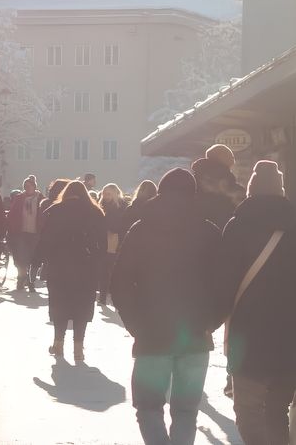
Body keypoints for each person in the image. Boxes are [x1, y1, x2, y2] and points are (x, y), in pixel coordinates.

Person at [217, 160, 296, 445]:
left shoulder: (237, 227)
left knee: (247, 412)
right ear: (281, 192)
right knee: (278, 413)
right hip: (295, 339)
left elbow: (224, 284)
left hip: (250, 340)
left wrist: (207, 321)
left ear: (251, 191)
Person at [111, 167, 222, 445]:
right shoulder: (208, 231)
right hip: (195, 335)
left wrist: (135, 324)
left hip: (152, 333)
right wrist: (212, 321)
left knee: (148, 407)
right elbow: (224, 283)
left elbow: (120, 283)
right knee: (186, 411)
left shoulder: (141, 229)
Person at [37, 179, 106, 362]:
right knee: (81, 308)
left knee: (60, 304)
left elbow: (45, 239)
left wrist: (37, 261)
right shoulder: (95, 212)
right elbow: (102, 244)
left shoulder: (56, 211)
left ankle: (58, 342)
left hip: (59, 267)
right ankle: (78, 348)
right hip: (86, 268)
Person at [192, 144, 245, 231]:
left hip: (197, 235)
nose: (233, 161)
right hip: (225, 235)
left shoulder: (193, 183)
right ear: (228, 161)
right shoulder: (234, 189)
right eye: (231, 157)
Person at [7, 175, 44, 291]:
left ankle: (31, 280)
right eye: (25, 186)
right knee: (22, 258)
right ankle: (21, 279)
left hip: (35, 232)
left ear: (34, 187)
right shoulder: (19, 198)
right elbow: (12, 214)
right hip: (21, 232)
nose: (27, 188)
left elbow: (44, 214)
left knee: (33, 258)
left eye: (29, 186)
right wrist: (11, 227)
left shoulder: (41, 199)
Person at [97, 182, 127, 305]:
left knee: (113, 269)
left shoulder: (122, 207)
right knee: (104, 270)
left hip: (116, 241)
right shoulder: (100, 205)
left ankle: (114, 295)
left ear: (115, 194)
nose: (106, 196)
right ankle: (103, 296)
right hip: (102, 241)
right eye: (104, 193)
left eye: (108, 194)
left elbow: (122, 225)